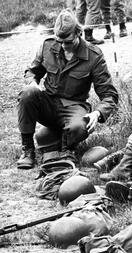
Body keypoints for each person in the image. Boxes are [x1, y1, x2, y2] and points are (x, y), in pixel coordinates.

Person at [16, 9, 119, 169]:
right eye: (60, 41)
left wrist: (97, 113)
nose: (63, 46)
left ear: (79, 33)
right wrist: (32, 82)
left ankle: (66, 150)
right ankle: (28, 150)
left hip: (74, 107)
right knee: (28, 93)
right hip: (48, 104)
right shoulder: (48, 45)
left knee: (79, 127)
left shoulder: (94, 56)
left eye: (68, 42)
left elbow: (109, 95)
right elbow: (31, 72)